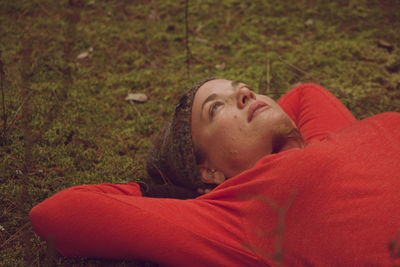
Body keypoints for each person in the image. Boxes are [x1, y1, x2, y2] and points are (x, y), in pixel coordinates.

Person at [30, 79, 400, 266]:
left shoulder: (323, 141)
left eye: (243, 89)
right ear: (207, 170)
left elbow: (306, 94)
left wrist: (278, 141)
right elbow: (57, 213)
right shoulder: (236, 216)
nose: (246, 94)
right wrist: (179, 191)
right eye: (216, 108)